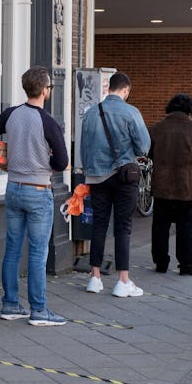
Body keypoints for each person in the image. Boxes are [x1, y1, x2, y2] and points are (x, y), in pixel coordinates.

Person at [0, 66, 69, 325]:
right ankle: (39, 310)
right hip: (38, 191)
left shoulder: (11, 114)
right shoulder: (49, 122)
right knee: (38, 253)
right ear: (43, 90)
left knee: (13, 249)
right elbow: (62, 162)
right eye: (49, 87)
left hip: (13, 188)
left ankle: (10, 305)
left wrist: (8, 157)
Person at [79, 71, 151, 297]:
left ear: (108, 88)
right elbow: (144, 147)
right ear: (126, 90)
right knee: (123, 227)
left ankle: (95, 277)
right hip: (123, 177)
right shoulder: (131, 112)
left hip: (97, 177)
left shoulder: (90, 113)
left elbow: (83, 149)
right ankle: (123, 281)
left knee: (99, 225)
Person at [148, 94, 192, 275]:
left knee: (160, 226)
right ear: (190, 110)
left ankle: (161, 263)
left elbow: (148, 152)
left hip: (162, 186)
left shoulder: (157, 129)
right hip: (187, 187)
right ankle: (186, 265)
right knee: (185, 227)